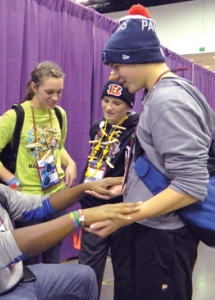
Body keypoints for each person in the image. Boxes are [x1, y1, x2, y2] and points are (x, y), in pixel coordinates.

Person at [86, 4, 215, 300]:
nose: (115, 76)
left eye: (117, 66)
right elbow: (167, 164)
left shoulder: (168, 101)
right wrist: (131, 183)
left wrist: (125, 217)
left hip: (164, 239)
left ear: (136, 58)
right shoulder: (163, 94)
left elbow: (190, 186)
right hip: (154, 231)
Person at [0, 126, 142, 300]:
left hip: (15, 279)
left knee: (84, 276)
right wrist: (79, 217)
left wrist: (84, 188)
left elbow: (38, 206)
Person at [0, 61, 77, 265]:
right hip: (27, 201)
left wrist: (70, 163)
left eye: (59, 92)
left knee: (54, 259)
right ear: (34, 88)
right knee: (31, 262)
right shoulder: (15, 117)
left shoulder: (60, 115)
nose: (55, 98)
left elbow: (58, 147)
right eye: (49, 92)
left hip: (56, 196)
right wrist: (9, 178)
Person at [78, 79, 139, 299]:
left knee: (125, 268)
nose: (109, 107)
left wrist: (123, 185)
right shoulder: (98, 127)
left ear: (129, 105)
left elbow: (143, 168)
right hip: (93, 206)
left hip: (121, 209)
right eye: (105, 100)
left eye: (116, 103)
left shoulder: (137, 130)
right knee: (87, 268)